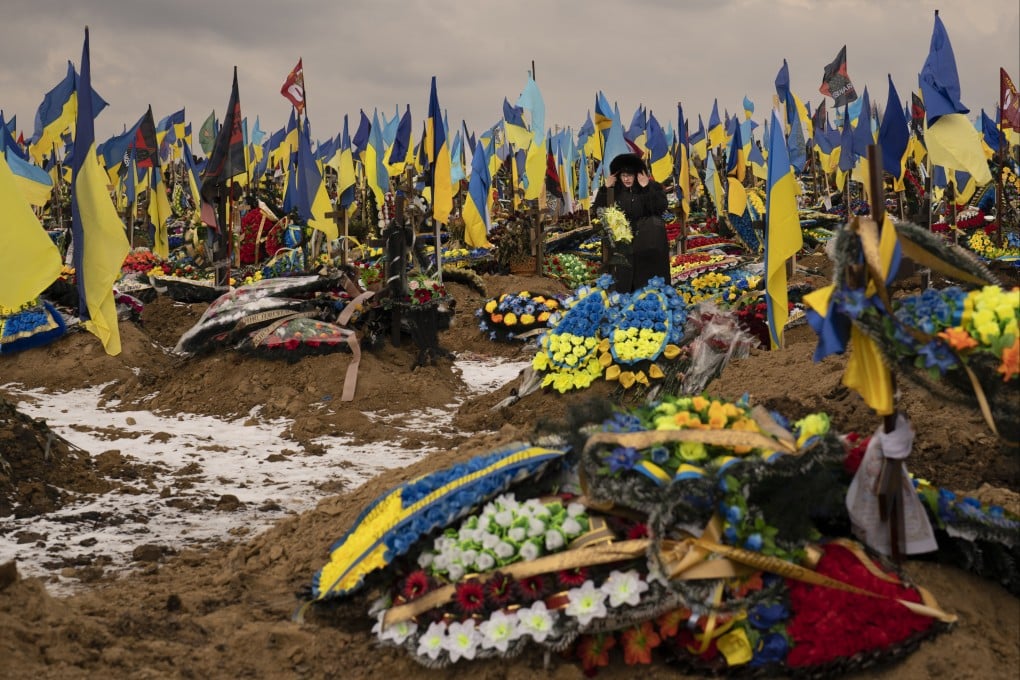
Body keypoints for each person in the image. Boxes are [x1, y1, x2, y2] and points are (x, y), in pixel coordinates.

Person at [593, 152, 670, 292]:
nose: (627, 179)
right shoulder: (614, 190)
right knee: (624, 280)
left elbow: (660, 207)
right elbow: (598, 210)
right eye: (623, 175)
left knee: (647, 280)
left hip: (647, 243)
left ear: (637, 174)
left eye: (630, 175)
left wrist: (646, 187)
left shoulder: (652, 187)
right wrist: (605, 188)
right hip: (623, 244)